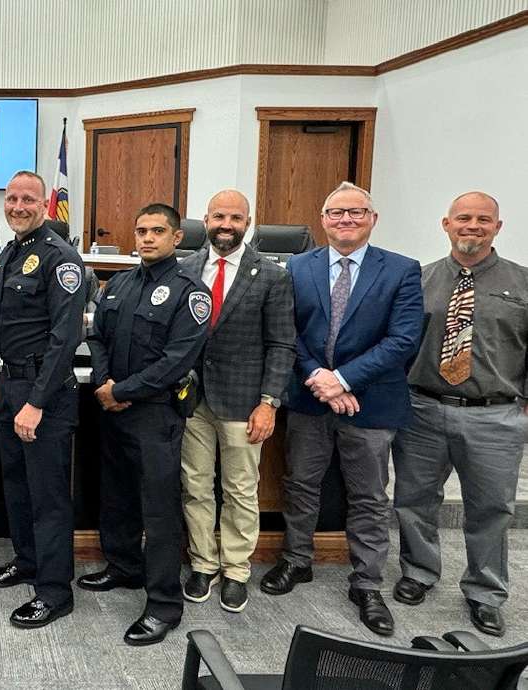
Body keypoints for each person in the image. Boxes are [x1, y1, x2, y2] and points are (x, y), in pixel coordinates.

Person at [259, 182, 423, 637]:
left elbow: (404, 339)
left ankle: (367, 583)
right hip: (310, 398)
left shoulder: (402, 270)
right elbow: (287, 330)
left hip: (371, 402)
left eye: (356, 211)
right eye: (336, 212)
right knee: (301, 484)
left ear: (373, 218)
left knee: (369, 496)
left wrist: (344, 380)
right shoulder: (298, 266)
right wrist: (320, 378)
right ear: (323, 219)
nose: (346, 219)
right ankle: (297, 560)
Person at [392, 191, 528, 637]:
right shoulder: (419, 279)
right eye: (464, 218)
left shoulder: (521, 283)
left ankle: (485, 593)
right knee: (414, 499)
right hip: (423, 408)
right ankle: (418, 571)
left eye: (483, 219)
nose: (473, 226)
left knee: (491, 508)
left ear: (497, 227)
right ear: (446, 224)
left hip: (494, 415)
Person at [82, 203, 211, 645]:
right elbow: (97, 336)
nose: (147, 238)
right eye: (141, 231)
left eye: (157, 231)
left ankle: (163, 605)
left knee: (159, 512)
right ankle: (124, 567)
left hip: (156, 414)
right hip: (113, 409)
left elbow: (177, 360)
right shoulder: (119, 283)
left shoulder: (190, 292)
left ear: (177, 237)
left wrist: (122, 391)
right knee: (117, 496)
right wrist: (106, 384)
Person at [0, 171, 87, 629]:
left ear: (44, 205)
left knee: (48, 496)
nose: (18, 206)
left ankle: (55, 591)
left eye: (28, 200)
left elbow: (66, 337)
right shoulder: (10, 252)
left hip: (45, 394)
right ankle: (27, 561)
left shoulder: (61, 258)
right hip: (11, 386)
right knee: (17, 485)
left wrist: (37, 402)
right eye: (12, 199)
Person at [176, 190, 295, 614]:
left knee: (240, 489)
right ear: (206, 219)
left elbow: (282, 344)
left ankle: (236, 570)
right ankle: (203, 564)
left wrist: (269, 402)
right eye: (219, 216)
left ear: (248, 222)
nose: (226, 225)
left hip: (245, 402)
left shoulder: (272, 276)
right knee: (195, 486)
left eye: (235, 218)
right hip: (193, 400)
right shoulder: (185, 268)